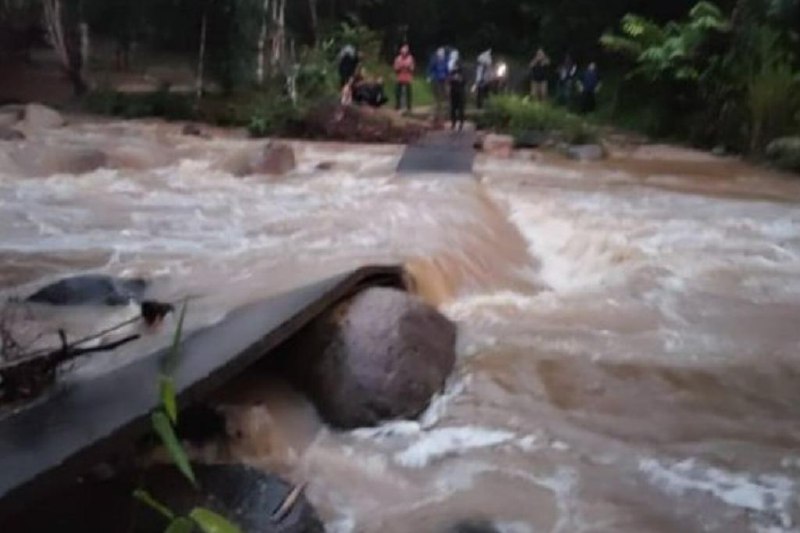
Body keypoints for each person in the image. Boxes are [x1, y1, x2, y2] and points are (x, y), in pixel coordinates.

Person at [427, 47, 449, 122]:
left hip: (443, 79)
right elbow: (431, 69)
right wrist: (430, 77)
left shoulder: (445, 60)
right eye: (440, 53)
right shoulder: (434, 60)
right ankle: (434, 115)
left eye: (442, 53)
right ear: (437, 53)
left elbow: (446, 70)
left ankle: (443, 114)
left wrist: (447, 77)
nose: (441, 54)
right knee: (436, 97)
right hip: (436, 80)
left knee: (444, 96)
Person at [393, 44, 415, 112]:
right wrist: (399, 67)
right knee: (398, 92)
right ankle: (397, 105)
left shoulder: (410, 58)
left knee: (409, 92)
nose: (404, 53)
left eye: (405, 52)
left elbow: (412, 67)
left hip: (407, 76)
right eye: (403, 52)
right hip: (400, 76)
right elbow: (395, 67)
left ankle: (409, 106)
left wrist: (408, 67)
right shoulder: (398, 58)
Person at [448, 59, 467, 131]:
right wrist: (453, 79)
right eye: (455, 65)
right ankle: (453, 123)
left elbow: (464, 81)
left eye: (456, 65)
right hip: (453, 92)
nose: (455, 67)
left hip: (461, 93)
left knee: (461, 109)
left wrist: (459, 79)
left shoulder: (463, 72)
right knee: (453, 109)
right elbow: (450, 81)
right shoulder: (452, 72)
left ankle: (461, 123)